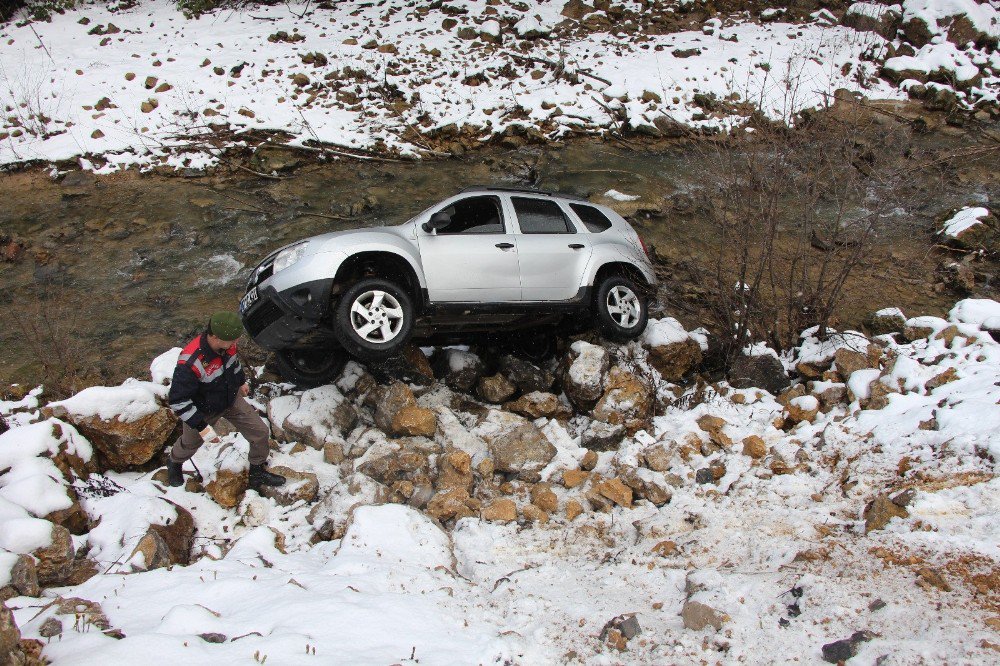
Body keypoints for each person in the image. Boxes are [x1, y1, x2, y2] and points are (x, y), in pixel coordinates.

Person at [166, 311, 285, 490]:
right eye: (233, 340)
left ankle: (257, 473)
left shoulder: (227, 346)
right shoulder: (191, 362)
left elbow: (233, 365)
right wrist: (201, 427)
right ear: (214, 337)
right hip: (203, 409)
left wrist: (240, 382)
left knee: (260, 432)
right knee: (190, 444)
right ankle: (174, 463)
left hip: (230, 399)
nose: (236, 344)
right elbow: (178, 400)